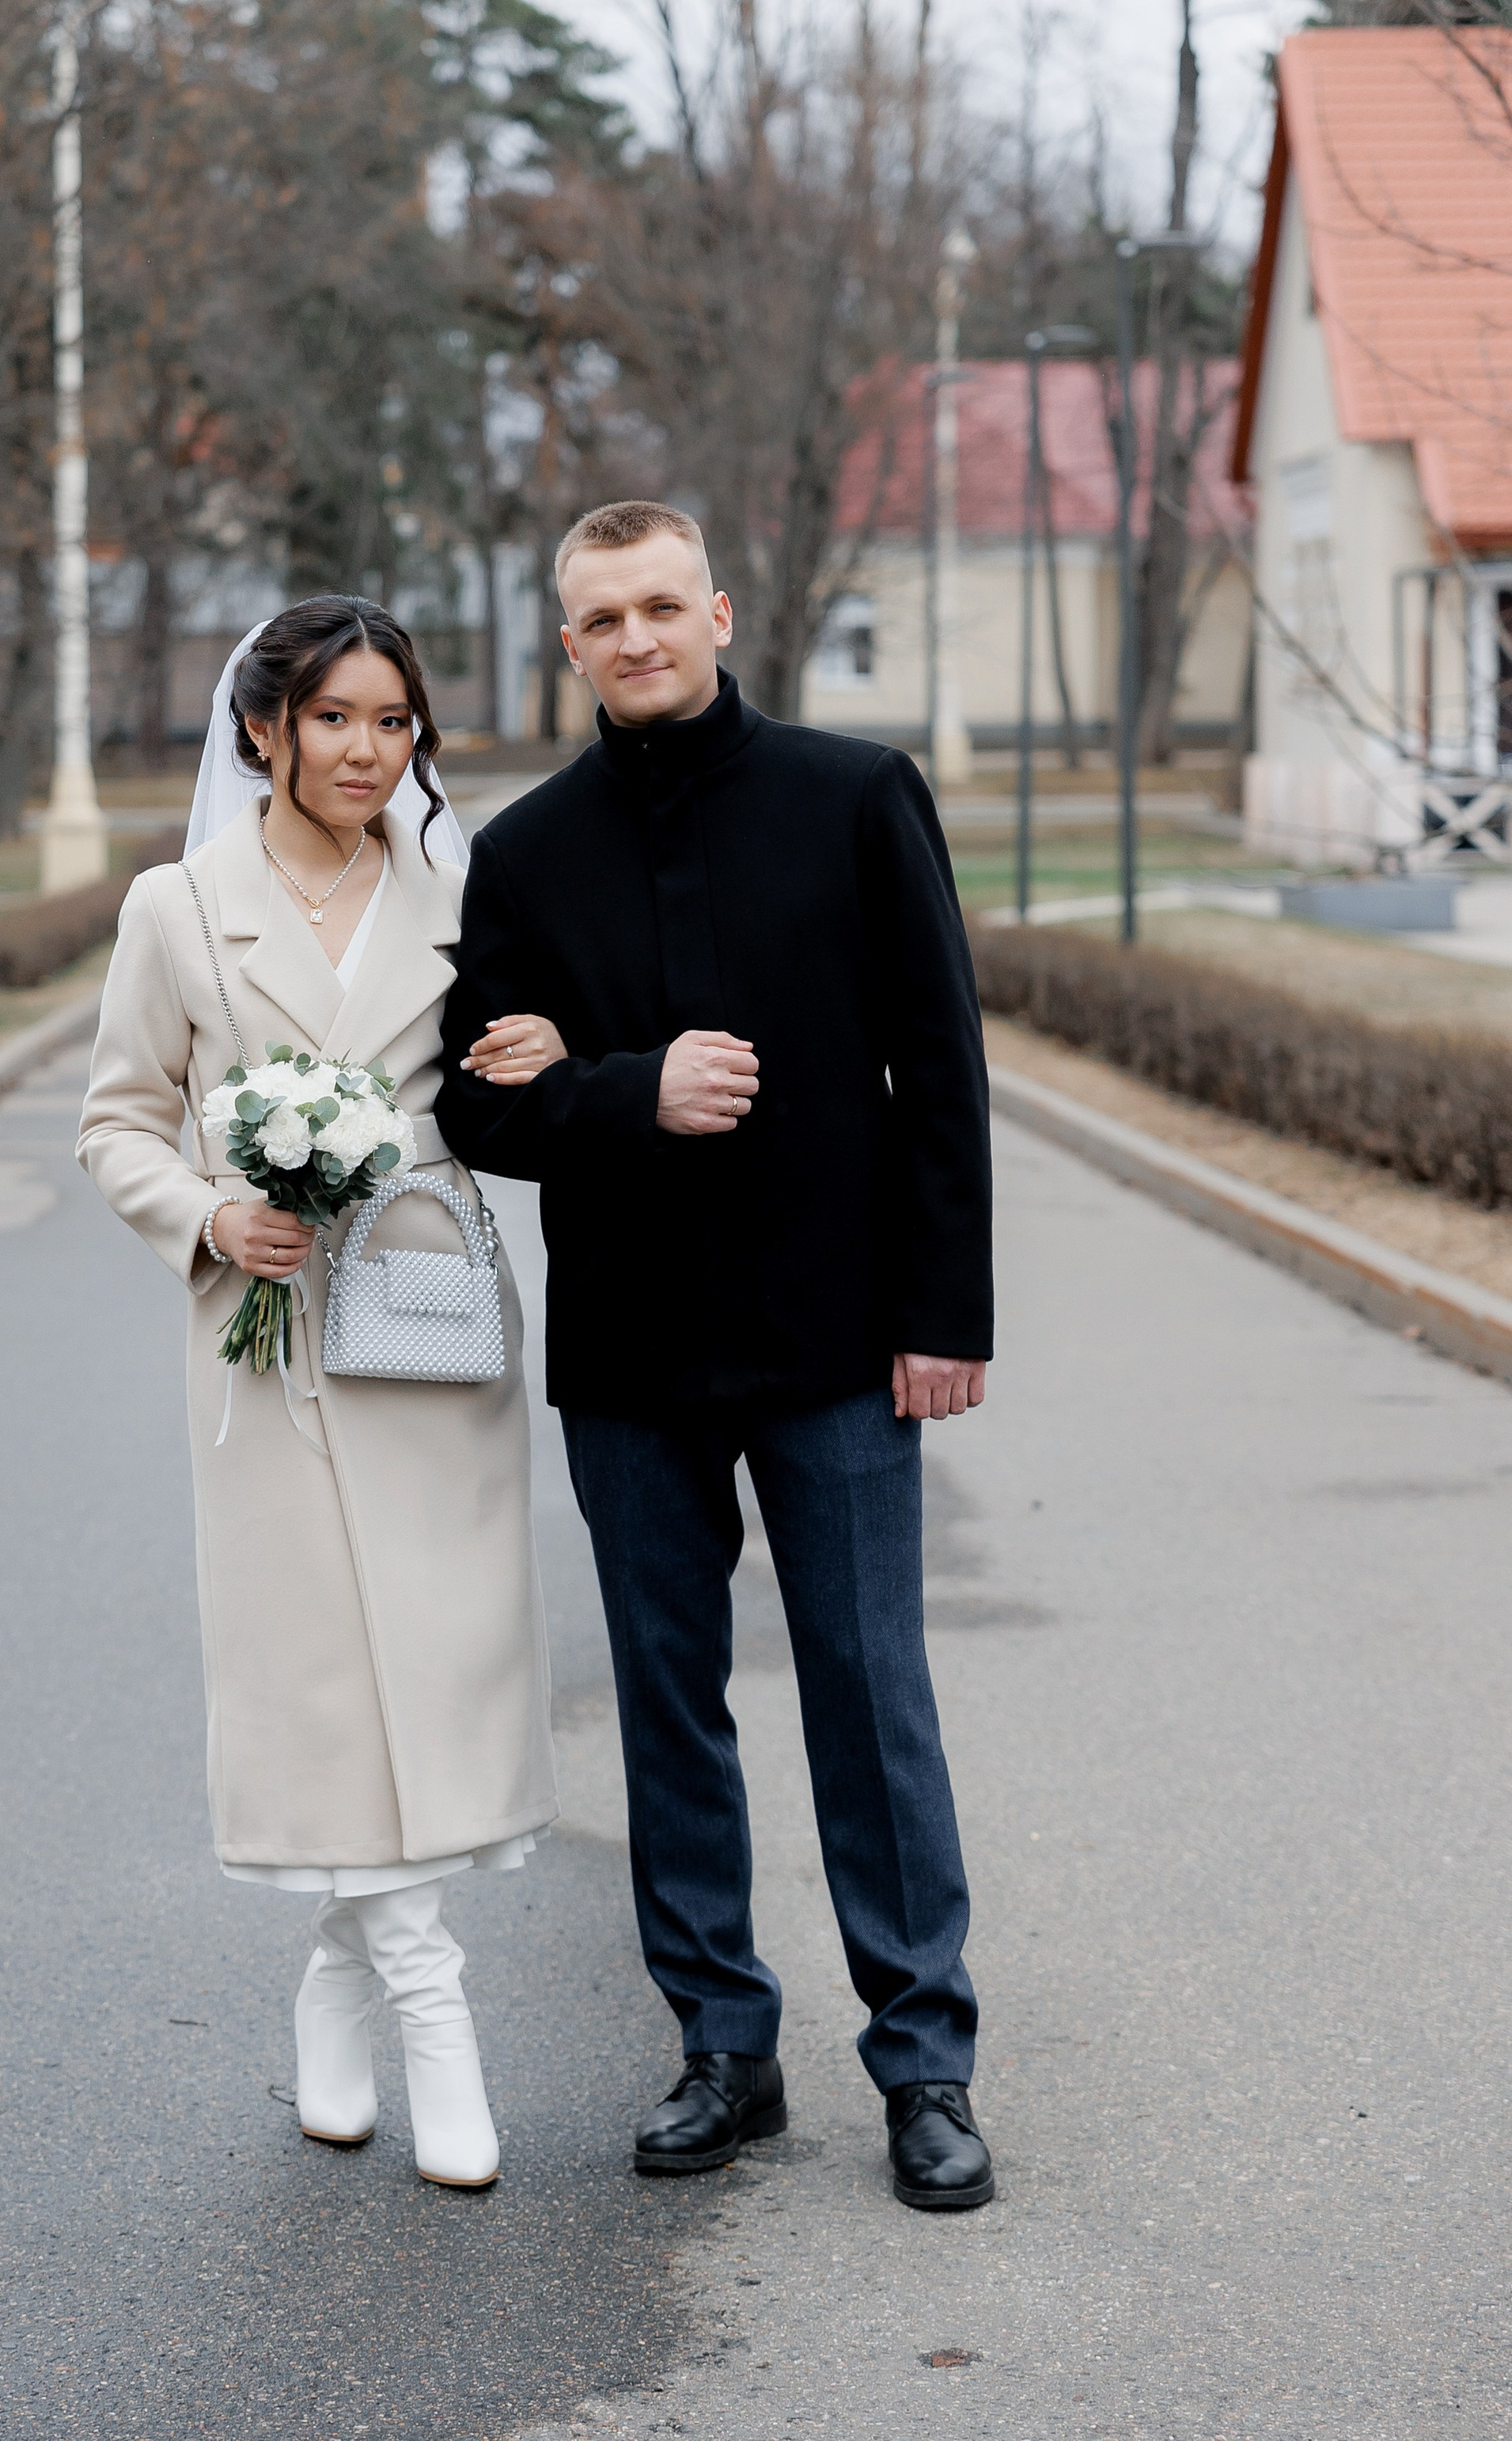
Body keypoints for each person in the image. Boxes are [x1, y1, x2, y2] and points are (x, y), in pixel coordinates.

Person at [437, 501, 997, 2209]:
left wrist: (942, 1318)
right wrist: (622, 1088)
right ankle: (720, 2050)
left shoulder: (850, 797)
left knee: (865, 1694)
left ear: (718, 611)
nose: (632, 639)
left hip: (834, 1339)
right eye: (598, 617)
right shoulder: (522, 856)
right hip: (628, 1358)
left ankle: (922, 2064)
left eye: (659, 606)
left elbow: (937, 1068)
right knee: (666, 1710)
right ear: (566, 642)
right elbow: (473, 1103)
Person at [77, 598, 567, 2193]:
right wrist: (211, 1215)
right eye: (334, 718)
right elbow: (117, 1122)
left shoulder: (462, 885)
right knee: (318, 1676)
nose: (366, 750)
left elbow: (521, 1061)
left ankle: (336, 1985)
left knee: (432, 1656)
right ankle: (432, 2010)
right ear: (262, 731)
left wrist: (547, 1045)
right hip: (269, 1338)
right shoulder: (179, 908)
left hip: (422, 1322)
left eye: (392, 720)